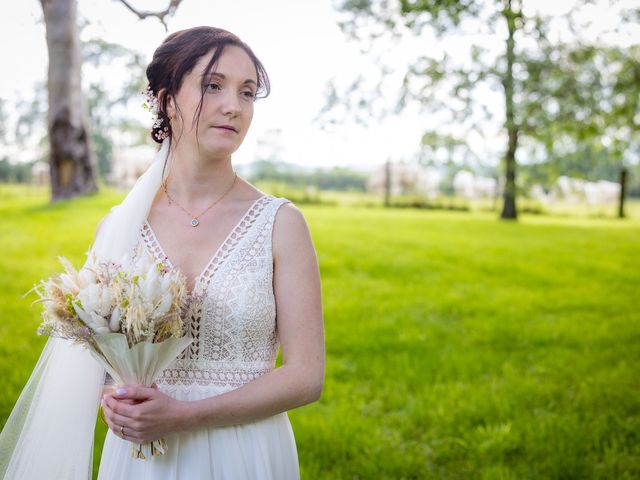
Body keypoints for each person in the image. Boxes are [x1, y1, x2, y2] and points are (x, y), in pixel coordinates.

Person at [0, 26, 324, 480]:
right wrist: (116, 404)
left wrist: (184, 416)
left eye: (247, 92)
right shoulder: (119, 227)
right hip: (141, 462)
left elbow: (307, 376)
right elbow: (97, 368)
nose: (234, 105)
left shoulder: (281, 224)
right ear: (167, 99)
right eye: (213, 86)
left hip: (247, 452)